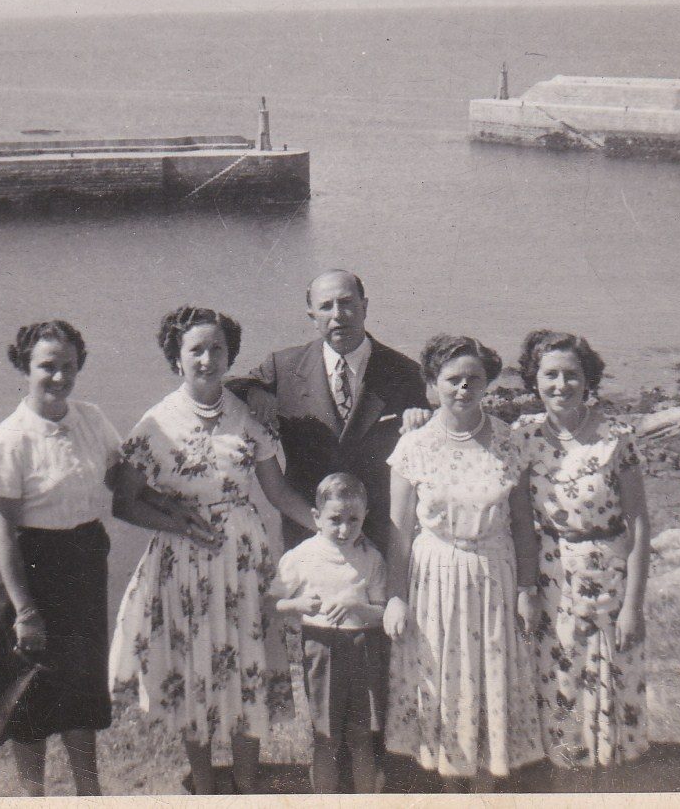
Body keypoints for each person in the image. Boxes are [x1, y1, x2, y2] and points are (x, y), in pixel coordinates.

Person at [109, 306, 317, 795]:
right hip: (180, 563)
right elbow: (124, 501)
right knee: (190, 670)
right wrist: (175, 520)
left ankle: (246, 783)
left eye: (217, 348)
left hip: (243, 561)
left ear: (230, 355)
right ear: (176, 359)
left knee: (248, 667)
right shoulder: (156, 423)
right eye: (195, 350)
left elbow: (280, 494)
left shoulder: (249, 416)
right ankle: (203, 786)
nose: (207, 359)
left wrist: (331, 531)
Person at [383, 334, 543, 792]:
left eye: (474, 378)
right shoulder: (413, 446)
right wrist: (395, 597)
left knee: (490, 677)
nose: (463, 388)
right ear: (432, 384)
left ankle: (487, 790)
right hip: (433, 577)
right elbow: (398, 532)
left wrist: (527, 589)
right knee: (444, 682)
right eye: (452, 379)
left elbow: (522, 525)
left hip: (495, 574)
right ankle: (453, 789)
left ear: (487, 382)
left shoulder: (509, 443)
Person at [0, 321, 120, 797]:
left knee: (81, 688)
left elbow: (125, 480)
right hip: (33, 571)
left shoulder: (92, 419)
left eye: (68, 366)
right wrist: (26, 611)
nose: (59, 377)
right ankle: (33, 798)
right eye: (46, 367)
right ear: (24, 367)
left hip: (84, 562)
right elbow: (3, 535)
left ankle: (89, 794)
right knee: (29, 693)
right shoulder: (9, 440)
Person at [510, 330, 650, 775]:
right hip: (553, 579)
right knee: (561, 683)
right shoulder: (523, 435)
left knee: (614, 677)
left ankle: (615, 782)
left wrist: (634, 606)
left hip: (608, 574)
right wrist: (526, 588)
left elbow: (640, 525)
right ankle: (568, 781)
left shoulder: (616, 436)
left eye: (572, 375)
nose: (561, 385)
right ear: (534, 380)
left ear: (588, 379)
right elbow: (520, 525)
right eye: (550, 374)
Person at [233, 269, 429, 555]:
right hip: (307, 529)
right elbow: (225, 387)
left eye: (347, 302)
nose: (338, 314)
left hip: (378, 531)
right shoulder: (284, 366)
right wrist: (254, 392)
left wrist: (422, 419)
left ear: (364, 307)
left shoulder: (404, 372)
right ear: (312, 316)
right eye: (326, 306)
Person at [272, 473, 388, 794]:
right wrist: (296, 603)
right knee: (325, 739)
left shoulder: (371, 558)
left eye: (354, 520)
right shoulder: (301, 556)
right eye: (335, 519)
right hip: (320, 651)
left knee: (362, 738)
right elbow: (272, 603)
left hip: (363, 652)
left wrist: (357, 604)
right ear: (316, 517)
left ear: (365, 516)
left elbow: (382, 614)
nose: (344, 529)